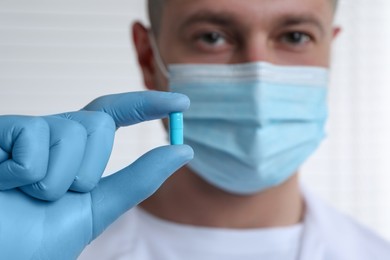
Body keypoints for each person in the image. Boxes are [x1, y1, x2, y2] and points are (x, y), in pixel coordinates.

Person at [1, 0, 390, 259]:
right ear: (148, 55)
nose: (258, 73)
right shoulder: (56, 247)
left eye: (294, 36)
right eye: (212, 37)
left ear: (329, 51)